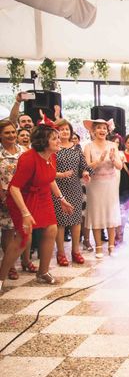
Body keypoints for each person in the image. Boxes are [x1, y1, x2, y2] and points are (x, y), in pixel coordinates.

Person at [0, 122, 73, 290]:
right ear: (43, 142)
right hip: (23, 198)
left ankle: (43, 272)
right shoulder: (28, 158)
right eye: (54, 138)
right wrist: (25, 213)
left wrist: (61, 198)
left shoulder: (52, 156)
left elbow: (49, 178)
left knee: (51, 229)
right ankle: (1, 277)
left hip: (43, 195)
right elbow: (14, 188)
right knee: (23, 237)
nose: (58, 140)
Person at [53, 119, 91, 266]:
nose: (65, 132)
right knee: (60, 222)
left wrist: (86, 172)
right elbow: (48, 171)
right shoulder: (54, 148)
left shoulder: (77, 148)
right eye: (61, 129)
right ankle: (61, 253)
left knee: (76, 221)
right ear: (57, 132)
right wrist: (60, 175)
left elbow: (84, 166)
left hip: (75, 188)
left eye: (67, 129)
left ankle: (76, 251)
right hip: (58, 188)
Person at [83, 118, 122, 258]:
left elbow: (120, 166)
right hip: (95, 184)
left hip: (110, 184)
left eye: (104, 128)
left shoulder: (113, 145)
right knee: (97, 214)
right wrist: (99, 161)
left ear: (108, 130)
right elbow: (86, 166)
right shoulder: (88, 146)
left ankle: (111, 247)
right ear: (93, 131)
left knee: (110, 213)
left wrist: (112, 159)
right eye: (98, 128)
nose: (102, 130)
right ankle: (98, 247)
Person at [0, 119, 32, 279]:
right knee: (8, 231)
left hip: (23, 197)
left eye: (13, 132)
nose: (11, 135)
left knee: (25, 230)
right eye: (7, 133)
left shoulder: (24, 151)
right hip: (4, 198)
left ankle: (26, 261)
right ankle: (10, 265)